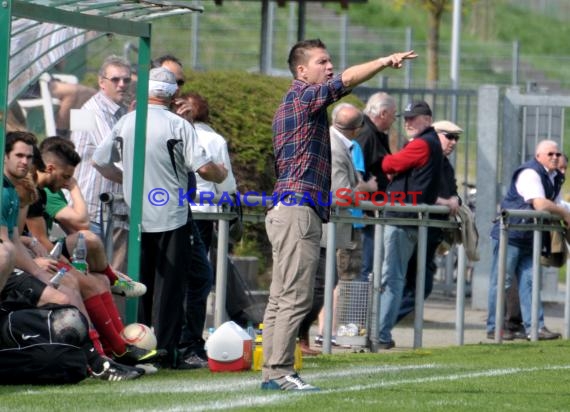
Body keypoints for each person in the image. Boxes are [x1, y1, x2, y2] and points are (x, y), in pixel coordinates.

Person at [263, 38, 416, 391]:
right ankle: (280, 372)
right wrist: (383, 59)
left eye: (330, 61)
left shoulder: (298, 102)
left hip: (292, 209)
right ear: (301, 71)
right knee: (296, 297)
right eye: (322, 61)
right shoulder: (302, 95)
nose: (329, 67)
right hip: (297, 210)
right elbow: (344, 82)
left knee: (280, 296)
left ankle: (273, 373)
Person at [93, 67, 227, 369]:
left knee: (140, 285)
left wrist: (127, 181)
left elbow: (99, 161)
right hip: (173, 217)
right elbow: (204, 168)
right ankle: (166, 352)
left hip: (136, 216)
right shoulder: (178, 125)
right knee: (171, 288)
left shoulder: (128, 121)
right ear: (173, 94)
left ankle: (140, 346)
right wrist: (222, 171)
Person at [0, 131, 142, 380]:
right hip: (13, 267)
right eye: (19, 156)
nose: (25, 162)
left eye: (29, 157)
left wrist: (37, 263)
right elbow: (17, 242)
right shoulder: (14, 191)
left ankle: (108, 354)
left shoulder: (15, 190)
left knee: (89, 267)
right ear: (5, 157)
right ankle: (99, 359)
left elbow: (17, 239)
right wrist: (38, 264)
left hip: (20, 263)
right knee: (67, 290)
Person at [298, 103, 376, 355]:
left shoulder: (336, 143)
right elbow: (341, 195)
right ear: (357, 129)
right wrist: (366, 189)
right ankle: (298, 336)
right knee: (320, 285)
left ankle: (301, 339)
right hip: (324, 228)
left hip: (323, 226)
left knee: (321, 284)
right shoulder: (336, 148)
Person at [377, 100, 443, 350]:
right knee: (396, 278)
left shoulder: (423, 143)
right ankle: (381, 331)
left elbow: (390, 165)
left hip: (403, 218)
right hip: (409, 218)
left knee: (391, 278)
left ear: (427, 119)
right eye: (405, 118)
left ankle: (380, 333)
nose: (408, 122)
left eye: (413, 118)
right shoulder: (429, 142)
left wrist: (380, 162)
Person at [486, 139, 566, 341]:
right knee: (501, 282)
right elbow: (540, 204)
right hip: (511, 233)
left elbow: (556, 202)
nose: (555, 157)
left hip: (530, 236)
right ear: (538, 156)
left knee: (530, 282)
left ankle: (535, 328)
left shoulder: (554, 176)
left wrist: (565, 210)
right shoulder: (530, 172)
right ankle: (494, 327)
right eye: (550, 154)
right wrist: (565, 214)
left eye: (557, 154)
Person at [397, 120, 462, 323]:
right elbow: (415, 192)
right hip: (413, 228)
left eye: (456, 138)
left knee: (419, 286)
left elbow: (453, 193)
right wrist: (444, 201)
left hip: (432, 231)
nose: (453, 142)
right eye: (448, 136)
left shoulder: (445, 165)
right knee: (412, 284)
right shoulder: (424, 157)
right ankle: (378, 325)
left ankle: (380, 326)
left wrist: (455, 200)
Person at [71, 55, 132, 272]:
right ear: (101, 82)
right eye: (115, 79)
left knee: (110, 277)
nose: (122, 85)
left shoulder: (120, 112)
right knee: (93, 275)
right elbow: (110, 156)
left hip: (112, 208)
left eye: (126, 80)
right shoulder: (91, 111)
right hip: (92, 208)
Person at [355, 92, 397, 282]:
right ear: (383, 113)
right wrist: (366, 188)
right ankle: (362, 311)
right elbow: (354, 169)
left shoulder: (375, 134)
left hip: (373, 211)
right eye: (393, 115)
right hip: (365, 212)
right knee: (368, 268)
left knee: (372, 267)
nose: (394, 120)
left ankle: (366, 310)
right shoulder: (366, 134)